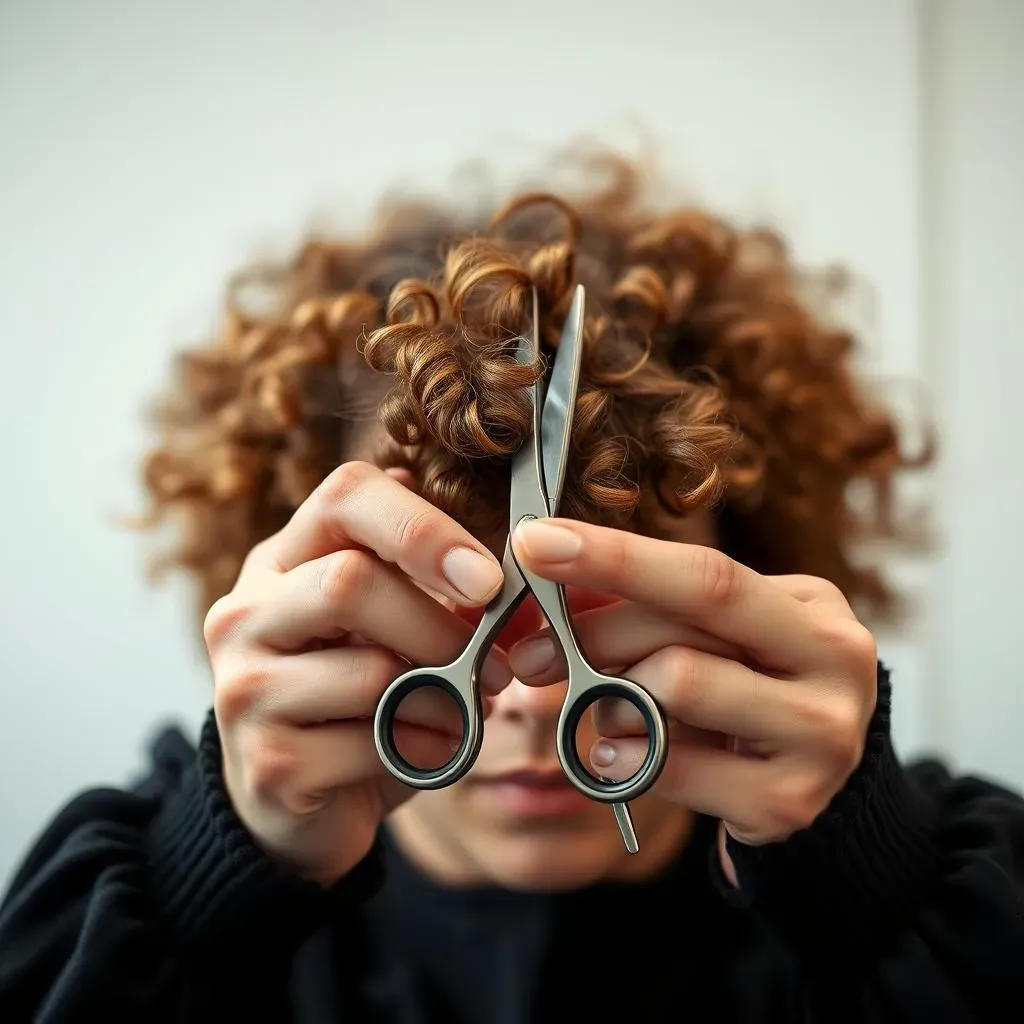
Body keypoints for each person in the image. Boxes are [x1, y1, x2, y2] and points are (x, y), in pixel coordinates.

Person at [1, 153, 1022, 1023]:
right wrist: (210, 875)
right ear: (295, 581)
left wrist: (870, 878)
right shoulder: (134, 914)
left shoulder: (949, 894)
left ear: (748, 568)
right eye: (436, 587)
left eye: (616, 589)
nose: (532, 696)